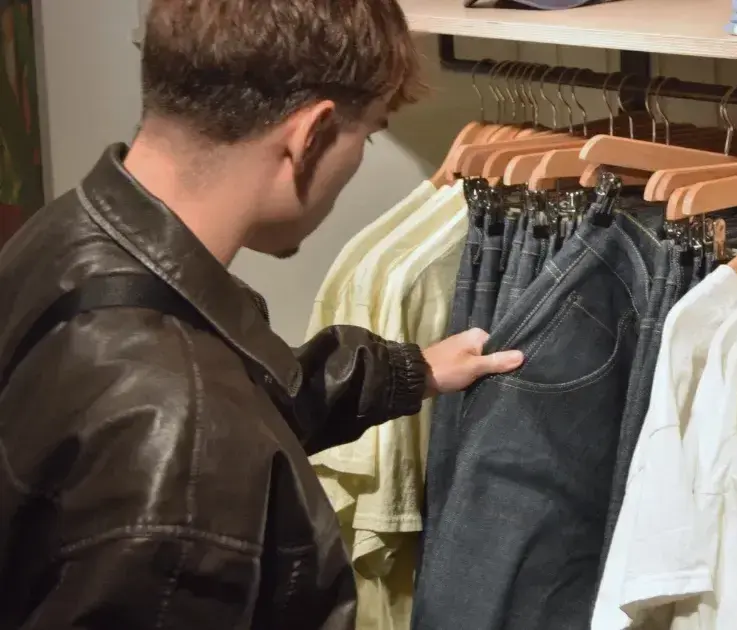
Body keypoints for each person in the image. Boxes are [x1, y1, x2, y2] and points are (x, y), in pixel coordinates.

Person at [0, 0, 522, 627]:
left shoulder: (68, 233)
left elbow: (242, 389)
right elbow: (199, 425)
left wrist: (413, 372)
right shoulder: (189, 444)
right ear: (311, 136)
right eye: (370, 131)